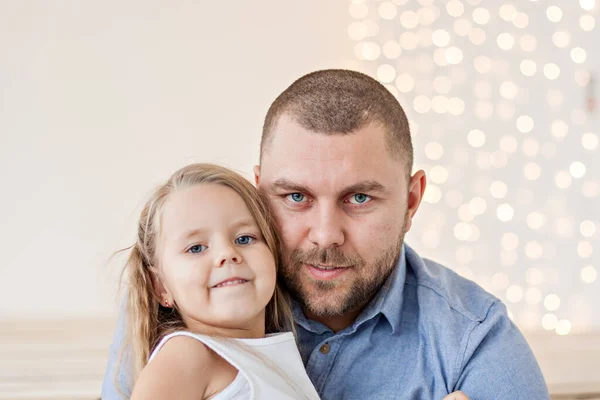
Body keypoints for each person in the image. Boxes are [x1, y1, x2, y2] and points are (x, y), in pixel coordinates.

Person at [103, 70, 549, 399]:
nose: (325, 234)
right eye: (296, 196)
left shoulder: (473, 339)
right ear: (259, 194)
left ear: (411, 201)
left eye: (359, 198)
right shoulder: (184, 312)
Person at [115, 163, 320, 399]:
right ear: (159, 286)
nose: (227, 253)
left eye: (244, 238)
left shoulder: (280, 360)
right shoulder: (188, 355)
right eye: (196, 248)